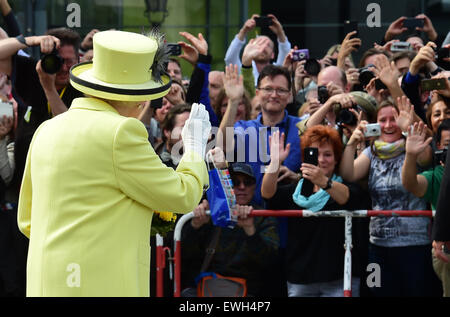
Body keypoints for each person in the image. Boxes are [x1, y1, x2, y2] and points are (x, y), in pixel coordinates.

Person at [17, 30, 211, 297]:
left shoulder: (47, 129)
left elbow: (27, 220)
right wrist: (195, 148)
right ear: (135, 95)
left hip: (45, 285)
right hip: (100, 286)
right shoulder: (122, 133)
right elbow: (183, 195)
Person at [339, 98, 440, 296]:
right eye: (382, 120)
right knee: (377, 293)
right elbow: (348, 174)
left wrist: (408, 130)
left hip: (415, 246)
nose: (387, 125)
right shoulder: (371, 152)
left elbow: (427, 157)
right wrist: (352, 142)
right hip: (377, 247)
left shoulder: (415, 147)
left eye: (393, 119)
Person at [261, 127, 366, 297]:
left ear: (337, 159)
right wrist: (274, 163)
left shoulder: (345, 186)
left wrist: (324, 182)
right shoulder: (296, 191)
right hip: (300, 278)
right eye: (315, 154)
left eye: (328, 154)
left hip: (339, 279)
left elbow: (348, 197)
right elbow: (268, 194)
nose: (321, 160)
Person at [0, 27, 84, 204]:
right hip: (23, 191)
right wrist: (31, 40)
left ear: (78, 60)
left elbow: (68, 129)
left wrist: (49, 87)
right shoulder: (34, 72)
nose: (63, 68)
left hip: (61, 193)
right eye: (58, 60)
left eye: (68, 62)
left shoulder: (83, 90)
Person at [181, 156, 279, 297]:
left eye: (247, 182)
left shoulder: (263, 216)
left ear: (255, 186)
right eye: (235, 182)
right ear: (226, 185)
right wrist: (195, 225)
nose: (242, 187)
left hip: (249, 290)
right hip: (208, 286)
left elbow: (270, 264)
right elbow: (185, 256)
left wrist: (250, 230)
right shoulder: (211, 212)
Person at [224, 14, 291, 86]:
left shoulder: (277, 70)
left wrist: (280, 32)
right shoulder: (242, 69)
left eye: (267, 45)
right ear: (250, 50)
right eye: (259, 43)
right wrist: (244, 30)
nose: (263, 47)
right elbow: (230, 58)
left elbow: (285, 52)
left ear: (272, 55)